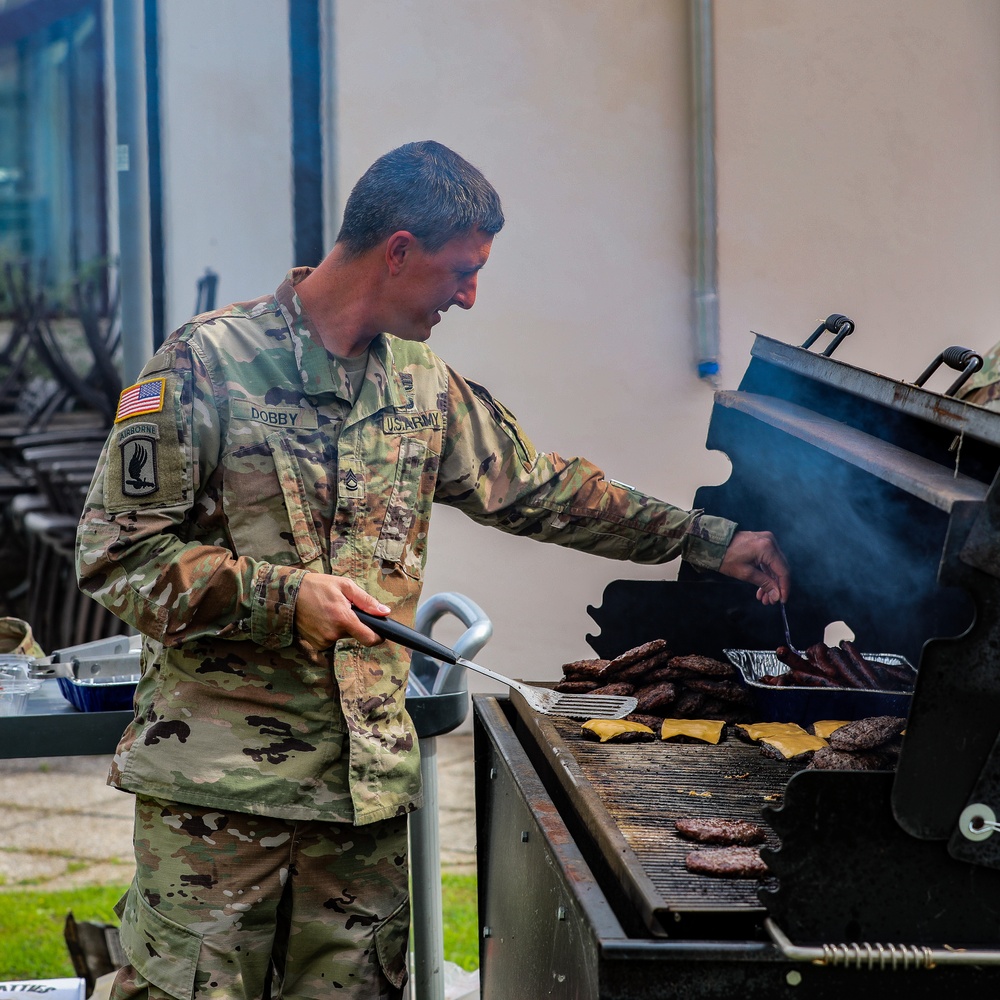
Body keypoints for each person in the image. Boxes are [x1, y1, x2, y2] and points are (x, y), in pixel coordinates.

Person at [76, 140, 789, 1000]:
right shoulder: (203, 365)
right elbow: (115, 554)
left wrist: (714, 541)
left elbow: (546, 491)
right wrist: (279, 596)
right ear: (400, 250)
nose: (471, 296)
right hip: (220, 806)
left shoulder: (422, 386)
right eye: (462, 270)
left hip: (363, 803)